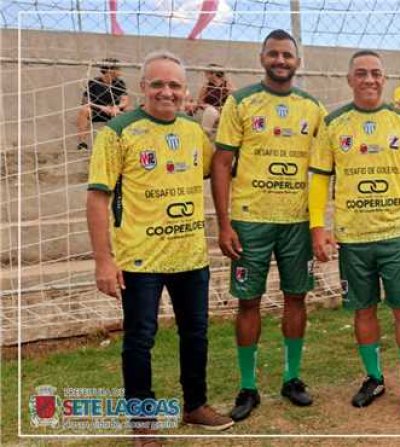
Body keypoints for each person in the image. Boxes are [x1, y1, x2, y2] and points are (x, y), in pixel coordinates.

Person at [85, 51, 233, 445]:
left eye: (174, 85)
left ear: (186, 91)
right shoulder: (118, 132)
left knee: (196, 334)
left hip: (189, 256)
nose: (167, 92)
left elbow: (216, 169)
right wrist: (103, 259)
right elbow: (98, 198)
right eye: (158, 84)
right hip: (139, 259)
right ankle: (143, 422)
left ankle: (196, 406)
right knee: (140, 339)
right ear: (142, 88)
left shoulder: (191, 131)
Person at [308, 49, 400, 418]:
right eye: (361, 73)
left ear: (385, 79)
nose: (369, 79)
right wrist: (318, 225)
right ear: (349, 79)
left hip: (396, 235)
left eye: (376, 73)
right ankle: (374, 377)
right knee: (363, 312)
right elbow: (319, 179)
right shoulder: (334, 124)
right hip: (353, 238)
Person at [211, 29, 326, 422]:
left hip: (296, 221)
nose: (281, 60)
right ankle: (248, 386)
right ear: (262, 58)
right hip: (250, 221)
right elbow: (222, 163)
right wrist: (224, 223)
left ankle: (292, 378)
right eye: (274, 54)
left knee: (297, 298)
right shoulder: (240, 102)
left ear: (298, 61)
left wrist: (320, 223)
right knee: (248, 301)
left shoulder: (312, 107)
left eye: (287, 55)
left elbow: (326, 168)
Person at [77, 58, 129, 151]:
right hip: (97, 111)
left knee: (123, 114)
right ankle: (82, 143)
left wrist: (116, 107)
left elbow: (125, 101)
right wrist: (103, 108)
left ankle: (118, 144)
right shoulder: (94, 83)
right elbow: (85, 102)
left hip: (114, 112)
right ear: (110, 70)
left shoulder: (120, 83)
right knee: (84, 110)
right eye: (118, 68)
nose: (120, 71)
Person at [197, 64, 235, 136]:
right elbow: (199, 101)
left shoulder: (226, 85)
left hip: (223, 112)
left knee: (211, 112)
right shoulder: (206, 85)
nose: (205, 75)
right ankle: (205, 135)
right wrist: (205, 106)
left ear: (213, 74)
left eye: (207, 73)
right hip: (210, 110)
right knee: (210, 111)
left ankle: (204, 135)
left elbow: (234, 100)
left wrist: (223, 108)